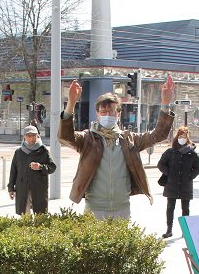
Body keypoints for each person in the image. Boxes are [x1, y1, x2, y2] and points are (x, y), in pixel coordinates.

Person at [59, 75, 176, 219]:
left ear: (118, 114)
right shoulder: (88, 139)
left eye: (112, 112)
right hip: (95, 207)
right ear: (97, 114)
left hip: (122, 207)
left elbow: (158, 135)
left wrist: (165, 104)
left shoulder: (128, 139)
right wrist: (71, 104)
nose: (107, 115)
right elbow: (65, 137)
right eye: (103, 112)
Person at [157, 125, 199, 238]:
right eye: (180, 136)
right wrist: (169, 172)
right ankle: (169, 230)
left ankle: (185, 231)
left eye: (184, 136)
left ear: (187, 138)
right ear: (176, 137)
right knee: (170, 207)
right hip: (171, 184)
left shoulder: (192, 153)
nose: (181, 138)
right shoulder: (170, 152)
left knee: (185, 208)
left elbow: (198, 168)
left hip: (185, 185)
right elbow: (160, 164)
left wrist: (189, 176)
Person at [8, 125, 56, 215]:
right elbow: (13, 171)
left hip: (39, 187)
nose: (32, 138)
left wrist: (41, 167)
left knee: (40, 215)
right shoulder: (19, 152)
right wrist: (11, 188)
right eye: (29, 136)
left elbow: (52, 167)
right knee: (25, 215)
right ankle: (26, 229)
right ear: (24, 137)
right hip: (22, 187)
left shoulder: (43, 151)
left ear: (37, 136)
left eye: (34, 135)